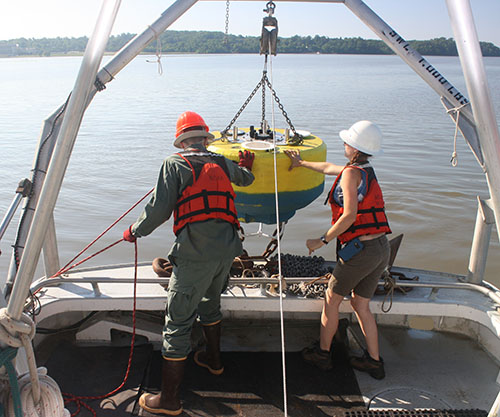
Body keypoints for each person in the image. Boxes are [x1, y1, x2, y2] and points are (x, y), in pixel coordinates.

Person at [123, 111, 255, 415]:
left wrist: (134, 231)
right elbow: (246, 178)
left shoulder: (174, 164)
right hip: (228, 249)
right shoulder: (221, 161)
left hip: (195, 253)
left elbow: (159, 210)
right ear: (205, 140)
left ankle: (169, 400)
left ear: (182, 141)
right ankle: (214, 361)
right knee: (210, 304)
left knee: (178, 322)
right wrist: (246, 164)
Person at [284, 120, 391, 380]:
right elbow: (329, 167)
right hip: (380, 248)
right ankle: (374, 361)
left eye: (346, 141)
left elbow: (350, 216)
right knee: (360, 303)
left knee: (332, 298)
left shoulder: (351, 174)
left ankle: (322, 354)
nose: (343, 144)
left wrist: (321, 240)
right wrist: (302, 163)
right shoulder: (362, 169)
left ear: (354, 147)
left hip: (361, 251)